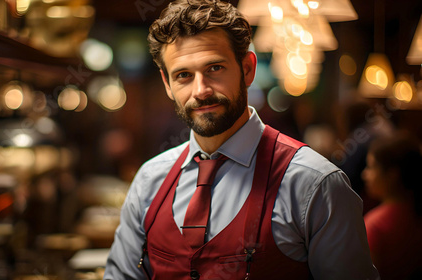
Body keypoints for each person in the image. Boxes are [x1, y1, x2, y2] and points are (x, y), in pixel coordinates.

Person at [104, 1, 379, 279]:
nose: (200, 90)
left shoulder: (315, 184)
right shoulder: (149, 181)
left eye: (214, 68)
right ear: (167, 84)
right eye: (184, 75)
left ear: (247, 69)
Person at [362, 133, 422, 279]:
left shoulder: (375, 225)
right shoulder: (415, 211)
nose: (365, 174)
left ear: (392, 175)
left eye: (371, 167)